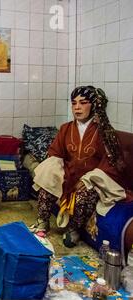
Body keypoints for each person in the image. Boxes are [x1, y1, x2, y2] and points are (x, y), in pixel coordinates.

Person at [29, 86, 128, 248]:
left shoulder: (104, 132)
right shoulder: (66, 128)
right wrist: (57, 172)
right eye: (74, 103)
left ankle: (73, 229)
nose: (77, 107)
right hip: (69, 173)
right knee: (47, 177)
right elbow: (55, 153)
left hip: (93, 178)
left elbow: (110, 162)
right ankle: (42, 221)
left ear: (93, 105)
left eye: (83, 103)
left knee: (84, 194)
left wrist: (89, 179)